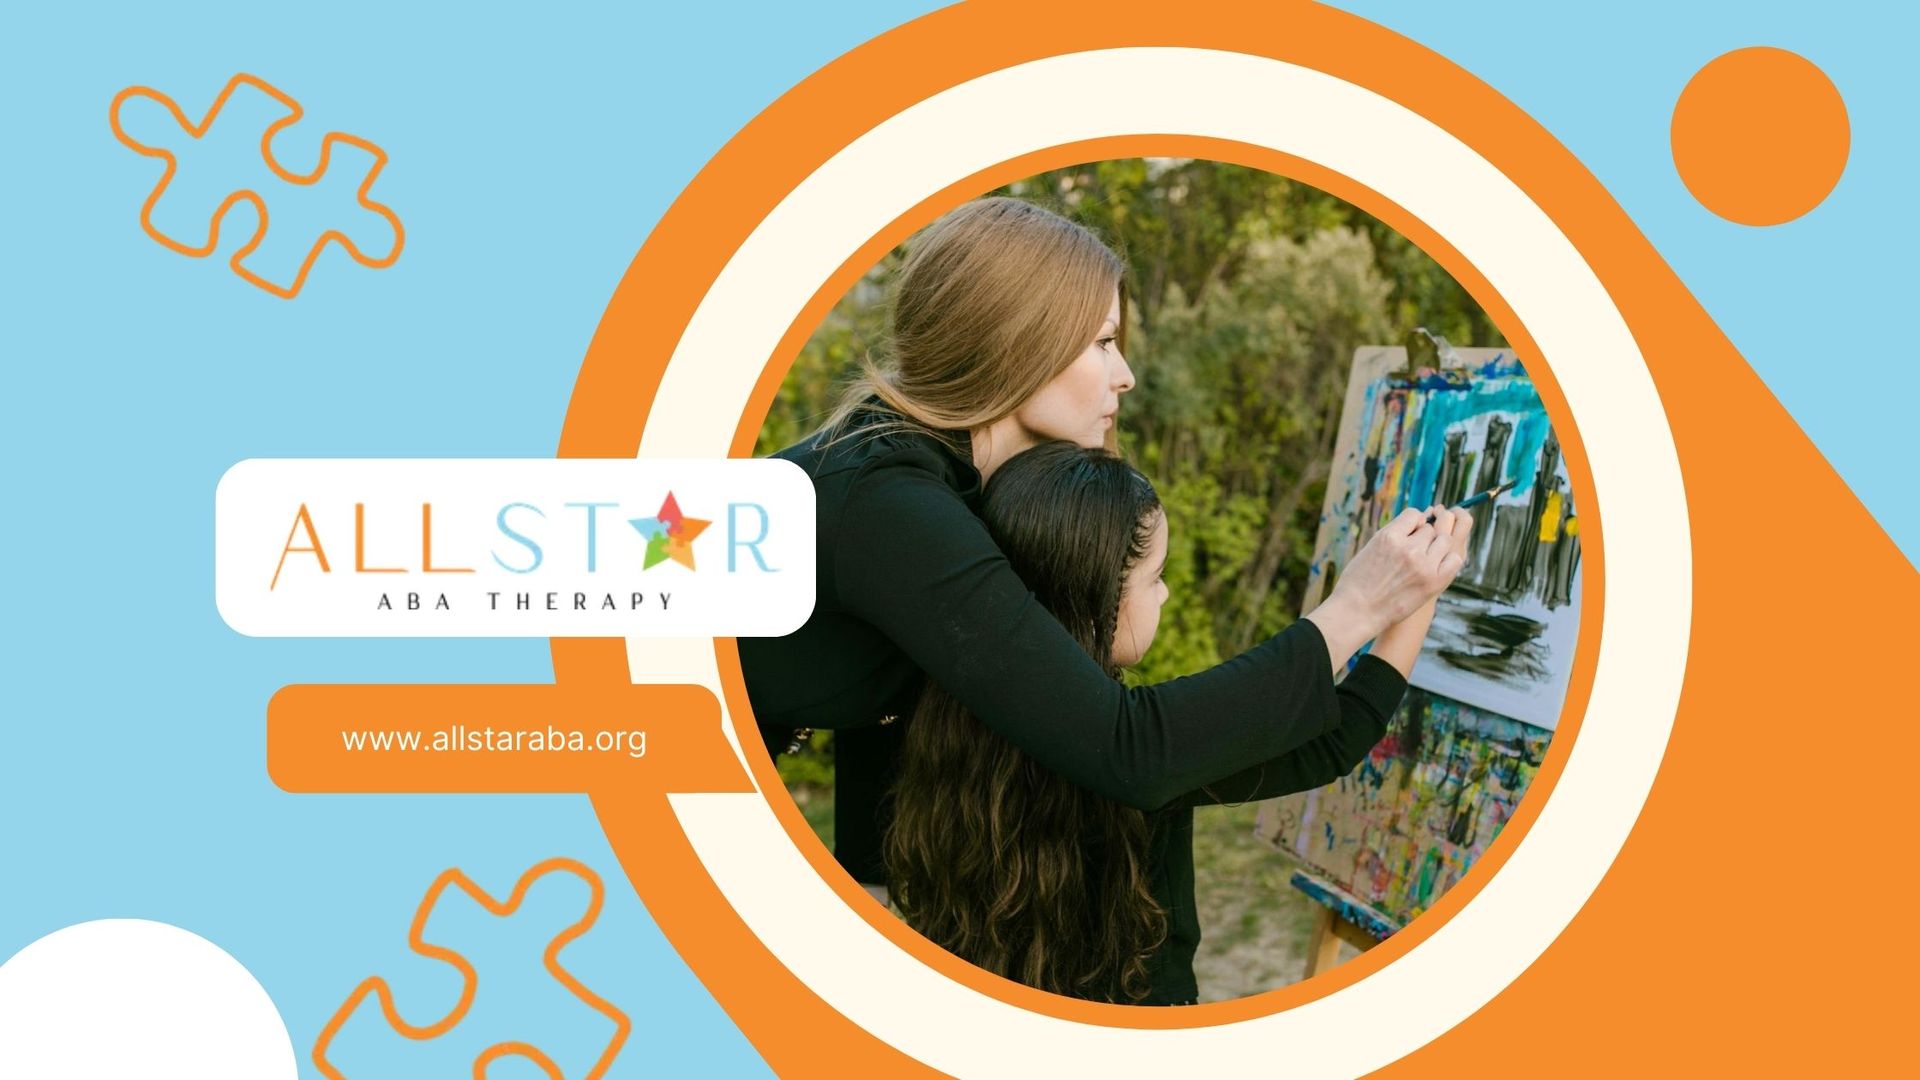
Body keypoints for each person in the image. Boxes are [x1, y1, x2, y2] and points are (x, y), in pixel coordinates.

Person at [738, 195, 1467, 894]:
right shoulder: (892, 505)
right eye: (1103, 342)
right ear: (1016, 341)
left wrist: (872, 880)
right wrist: (1359, 607)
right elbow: (1126, 750)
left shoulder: (938, 472)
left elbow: (901, 700)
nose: (1126, 375)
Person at [883, 442, 1451, 1004]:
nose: (1168, 591)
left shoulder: (943, 713)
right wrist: (1412, 599)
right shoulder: (1146, 747)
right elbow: (1336, 739)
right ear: (1096, 595)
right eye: (1155, 577)